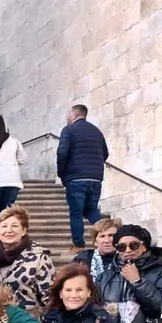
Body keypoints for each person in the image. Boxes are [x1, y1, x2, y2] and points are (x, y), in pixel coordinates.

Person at [57, 104, 109, 253]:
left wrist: (62, 173)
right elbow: (105, 154)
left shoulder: (68, 130)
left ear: (74, 114)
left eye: (69, 114)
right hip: (95, 178)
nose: (68, 117)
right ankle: (112, 235)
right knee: (91, 210)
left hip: (76, 178)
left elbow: (62, 153)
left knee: (76, 213)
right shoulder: (96, 131)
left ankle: (79, 245)